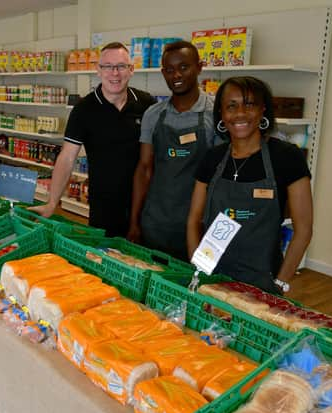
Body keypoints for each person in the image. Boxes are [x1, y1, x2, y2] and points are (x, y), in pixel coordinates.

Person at [187, 76, 313, 294]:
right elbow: (193, 219)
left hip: (263, 281)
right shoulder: (213, 159)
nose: (240, 113)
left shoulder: (286, 157)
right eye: (231, 106)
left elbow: (304, 229)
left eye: (249, 104)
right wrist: (197, 270)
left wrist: (280, 283)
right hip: (213, 279)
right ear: (221, 115)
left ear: (263, 109)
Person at [30, 42, 155, 237]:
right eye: (107, 66)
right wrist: (52, 203)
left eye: (121, 66)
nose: (115, 73)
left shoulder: (146, 103)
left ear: (131, 70)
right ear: (98, 70)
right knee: (107, 257)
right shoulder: (84, 109)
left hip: (145, 202)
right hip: (104, 204)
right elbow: (67, 157)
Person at [128, 41, 216, 260]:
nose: (176, 75)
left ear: (199, 67)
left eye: (184, 67)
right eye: (169, 70)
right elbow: (144, 169)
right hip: (156, 221)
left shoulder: (215, 114)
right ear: (163, 73)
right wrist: (134, 222)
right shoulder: (153, 114)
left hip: (198, 226)